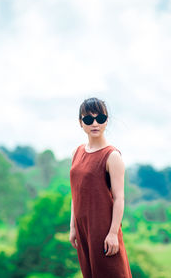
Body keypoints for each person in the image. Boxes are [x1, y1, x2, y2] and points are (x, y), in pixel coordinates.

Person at [69, 97, 132, 278]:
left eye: (100, 118)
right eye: (88, 119)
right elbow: (76, 194)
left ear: (106, 121)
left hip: (103, 227)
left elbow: (119, 198)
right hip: (83, 228)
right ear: (81, 123)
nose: (95, 123)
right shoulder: (77, 153)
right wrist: (73, 227)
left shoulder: (112, 156)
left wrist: (112, 233)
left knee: (111, 273)